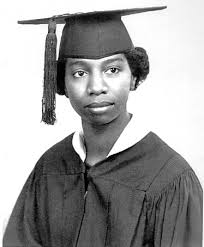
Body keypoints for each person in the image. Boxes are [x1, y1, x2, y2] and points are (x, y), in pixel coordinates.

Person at [3, 6, 202, 247]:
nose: (96, 86)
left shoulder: (171, 179)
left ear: (135, 77)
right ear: (61, 84)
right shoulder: (50, 167)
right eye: (79, 73)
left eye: (113, 70)